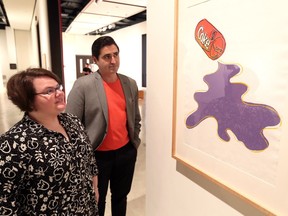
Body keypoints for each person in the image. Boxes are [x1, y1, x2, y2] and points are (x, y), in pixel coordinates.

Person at [0, 68, 99, 215]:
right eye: (48, 91)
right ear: (28, 100)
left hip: (85, 208)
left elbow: (89, 159)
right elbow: (5, 200)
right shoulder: (14, 142)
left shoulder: (72, 121)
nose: (59, 93)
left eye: (58, 87)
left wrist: (95, 189)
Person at [66, 36, 141, 216]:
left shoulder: (129, 83)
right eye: (107, 57)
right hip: (97, 156)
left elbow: (135, 117)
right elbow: (70, 125)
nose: (113, 60)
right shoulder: (83, 85)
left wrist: (134, 143)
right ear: (95, 60)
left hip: (125, 153)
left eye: (116, 55)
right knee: (97, 201)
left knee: (121, 197)